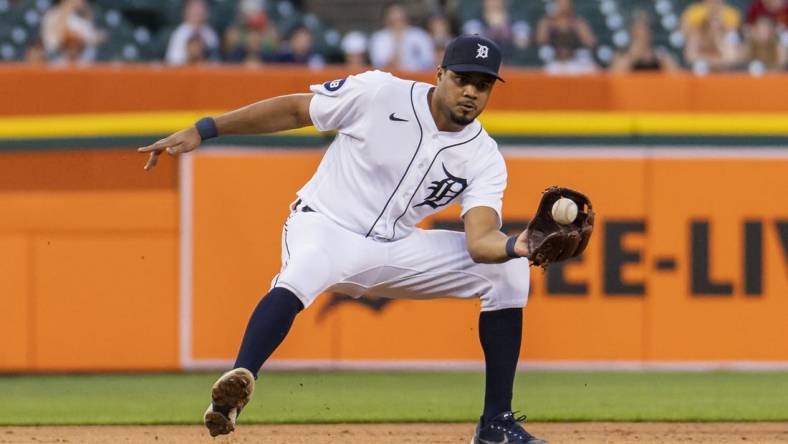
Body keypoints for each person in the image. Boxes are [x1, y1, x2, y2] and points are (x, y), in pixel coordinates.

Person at [139, 35, 557, 444]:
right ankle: (236, 389)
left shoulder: (483, 155)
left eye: (482, 85)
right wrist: (206, 129)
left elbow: (480, 240)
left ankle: (495, 424)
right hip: (326, 225)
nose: (470, 92)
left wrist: (516, 246)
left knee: (509, 273)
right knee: (303, 272)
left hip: (395, 247)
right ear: (440, 73)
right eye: (461, 79)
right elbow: (294, 110)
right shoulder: (380, 93)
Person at [369, 1, 435, 71]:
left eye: (400, 17)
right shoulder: (378, 38)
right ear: (386, 19)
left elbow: (429, 62)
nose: (397, 20)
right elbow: (380, 66)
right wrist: (397, 42)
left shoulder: (419, 35)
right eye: (394, 18)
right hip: (389, 79)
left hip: (417, 78)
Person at [535, 0, 597, 74]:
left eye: (566, 3)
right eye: (560, 3)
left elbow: (591, 42)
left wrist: (577, 28)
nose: (564, 6)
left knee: (592, 69)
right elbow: (540, 40)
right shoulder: (546, 22)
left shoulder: (578, 22)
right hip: (554, 62)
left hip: (576, 61)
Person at [610, 11, 679, 72]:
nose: (643, 32)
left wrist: (662, 59)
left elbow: (676, 76)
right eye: (639, 28)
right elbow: (614, 76)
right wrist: (633, 56)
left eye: (646, 28)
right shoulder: (621, 54)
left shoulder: (660, 55)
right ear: (631, 31)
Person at [41, 0, 103, 64]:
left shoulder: (81, 17)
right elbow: (52, 43)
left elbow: (92, 40)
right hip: (59, 64)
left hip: (83, 65)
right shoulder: (52, 15)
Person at [165, 0, 219, 65]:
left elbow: (215, 62)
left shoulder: (211, 34)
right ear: (186, 11)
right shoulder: (179, 34)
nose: (198, 12)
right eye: (194, 8)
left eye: (201, 7)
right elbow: (173, 63)